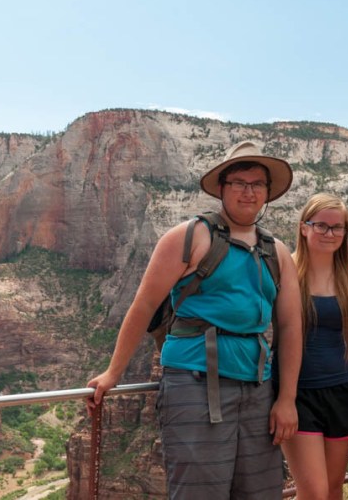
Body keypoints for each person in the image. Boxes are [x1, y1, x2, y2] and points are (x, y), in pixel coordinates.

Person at [85, 140, 302, 499]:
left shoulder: (276, 252)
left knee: (261, 491)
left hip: (258, 387)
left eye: (257, 184)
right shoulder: (188, 237)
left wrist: (287, 399)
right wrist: (113, 373)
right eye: (239, 183)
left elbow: (291, 327)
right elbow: (143, 305)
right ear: (222, 188)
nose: (248, 192)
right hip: (194, 382)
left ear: (267, 192)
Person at [277, 193, 348, 500]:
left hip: (342, 390)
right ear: (304, 227)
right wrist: (284, 399)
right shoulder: (285, 272)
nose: (330, 233)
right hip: (297, 394)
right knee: (313, 492)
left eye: (337, 227)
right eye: (321, 226)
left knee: (333, 488)